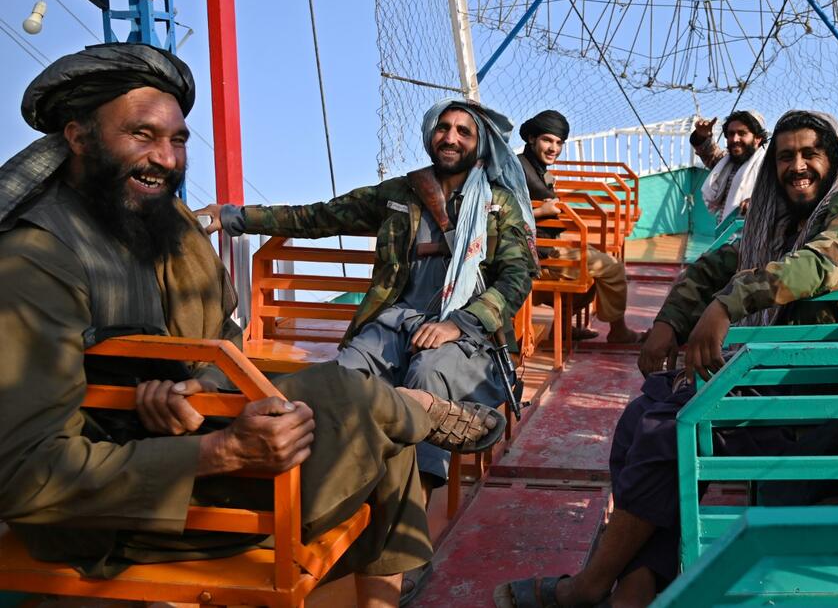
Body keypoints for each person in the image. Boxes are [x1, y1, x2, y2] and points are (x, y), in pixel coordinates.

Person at [0, 43, 503, 607]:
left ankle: (411, 417)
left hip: (188, 430)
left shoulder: (159, 226)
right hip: (125, 505)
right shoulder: (37, 259)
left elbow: (220, 330)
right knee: (356, 391)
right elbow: (24, 476)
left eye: (178, 139)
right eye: (141, 135)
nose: (165, 158)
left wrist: (200, 386)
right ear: (77, 137)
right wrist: (223, 453)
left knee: (380, 425)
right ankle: (420, 412)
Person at [495, 110, 838, 608]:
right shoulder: (777, 222)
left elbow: (813, 266)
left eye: (810, 155)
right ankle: (638, 584)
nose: (797, 167)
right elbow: (716, 264)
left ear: (833, 161)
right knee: (640, 419)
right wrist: (670, 321)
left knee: (665, 430)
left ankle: (590, 587)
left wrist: (729, 304)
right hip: (774, 387)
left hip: (818, 407)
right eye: (786, 156)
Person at [198, 98, 539, 496]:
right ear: (431, 135)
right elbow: (319, 216)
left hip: (467, 333)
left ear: (479, 144)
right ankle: (321, 489)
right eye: (444, 128)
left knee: (428, 375)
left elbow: (518, 277)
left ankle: (410, 513)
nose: (451, 138)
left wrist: (457, 324)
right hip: (394, 323)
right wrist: (233, 217)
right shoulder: (402, 193)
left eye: (464, 132)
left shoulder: (499, 204)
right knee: (342, 378)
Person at [517, 109, 643, 343]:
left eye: (559, 142)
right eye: (547, 140)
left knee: (597, 269)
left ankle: (562, 330)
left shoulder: (533, 168)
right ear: (532, 138)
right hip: (535, 256)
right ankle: (618, 332)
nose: (553, 148)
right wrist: (540, 212)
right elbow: (498, 214)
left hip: (545, 248)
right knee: (612, 268)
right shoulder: (517, 170)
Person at [691, 110, 769, 220]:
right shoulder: (726, 163)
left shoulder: (769, 167)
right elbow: (709, 153)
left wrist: (758, 201)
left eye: (742, 133)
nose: (734, 139)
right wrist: (702, 136)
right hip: (725, 234)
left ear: (757, 139)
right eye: (731, 134)